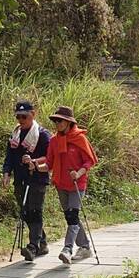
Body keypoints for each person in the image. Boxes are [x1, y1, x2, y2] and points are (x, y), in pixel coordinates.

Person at [41, 106, 98, 265]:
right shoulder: (54, 141)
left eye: (60, 120)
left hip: (77, 183)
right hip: (61, 183)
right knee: (70, 217)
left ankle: (67, 249)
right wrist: (35, 166)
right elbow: (49, 164)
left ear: (68, 122)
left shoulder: (79, 139)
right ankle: (85, 247)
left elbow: (89, 161)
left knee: (73, 215)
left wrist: (78, 173)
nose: (57, 123)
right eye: (55, 120)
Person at [1, 100, 51, 261]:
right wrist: (6, 172)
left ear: (33, 115)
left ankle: (33, 246)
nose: (21, 120)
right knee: (25, 211)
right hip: (20, 179)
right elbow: (9, 156)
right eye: (18, 117)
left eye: (24, 117)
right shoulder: (15, 134)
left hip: (37, 177)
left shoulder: (42, 135)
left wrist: (34, 161)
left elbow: (50, 157)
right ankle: (42, 241)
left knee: (35, 210)